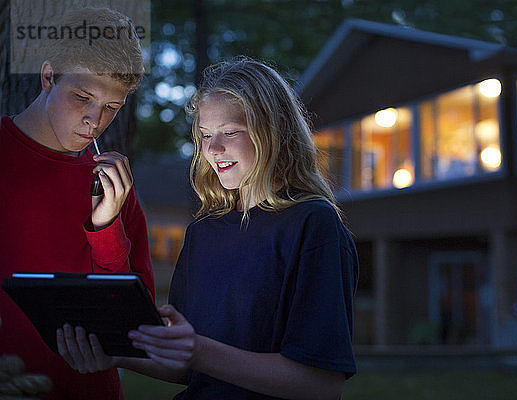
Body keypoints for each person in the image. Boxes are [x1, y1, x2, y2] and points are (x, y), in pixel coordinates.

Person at [58, 58, 359, 400]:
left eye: (230, 132)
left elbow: (322, 383)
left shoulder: (313, 224)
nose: (213, 150)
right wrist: (112, 353)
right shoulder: (203, 232)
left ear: (273, 130)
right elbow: (187, 365)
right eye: (204, 135)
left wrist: (199, 351)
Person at [0, 7, 154, 400]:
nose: (94, 120)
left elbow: (134, 323)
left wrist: (106, 229)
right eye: (82, 97)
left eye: (111, 107)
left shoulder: (114, 185)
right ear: (48, 77)